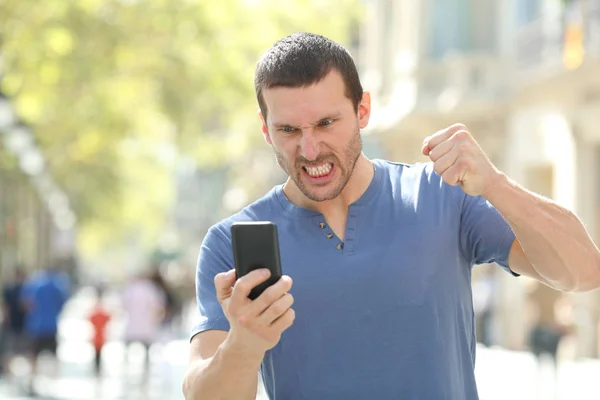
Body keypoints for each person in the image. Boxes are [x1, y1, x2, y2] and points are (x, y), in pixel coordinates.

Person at [182, 32, 600, 399]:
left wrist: (496, 185)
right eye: (288, 130)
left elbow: (582, 272)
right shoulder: (229, 243)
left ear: (362, 110)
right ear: (265, 127)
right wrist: (245, 343)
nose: (309, 150)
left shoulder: (442, 194)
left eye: (327, 123)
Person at [20, 262, 70, 394]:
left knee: (33, 356)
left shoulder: (34, 283)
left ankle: (33, 381)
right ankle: (53, 385)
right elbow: (62, 303)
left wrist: (33, 312)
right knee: (53, 355)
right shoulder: (57, 284)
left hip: (35, 326)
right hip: (51, 325)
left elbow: (25, 302)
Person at [0, 267, 28, 377]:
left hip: (15, 323)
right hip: (21, 323)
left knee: (10, 350)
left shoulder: (9, 289)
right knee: (21, 350)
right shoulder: (25, 289)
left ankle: (9, 373)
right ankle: (19, 374)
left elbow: (5, 308)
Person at [88, 285, 111, 377]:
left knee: (97, 355)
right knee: (98, 355)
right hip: (99, 336)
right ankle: (97, 369)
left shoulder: (96, 312)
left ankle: (97, 369)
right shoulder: (101, 312)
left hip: (98, 336)